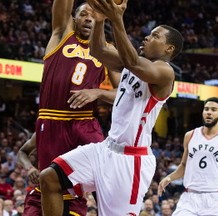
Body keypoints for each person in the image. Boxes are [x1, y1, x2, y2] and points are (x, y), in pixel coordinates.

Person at [39, 0, 184, 215]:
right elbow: (98, 52)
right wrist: (100, 21)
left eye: (155, 36)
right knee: (49, 178)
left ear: (168, 48)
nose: (147, 37)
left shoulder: (165, 73)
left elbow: (133, 62)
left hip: (130, 161)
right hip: (105, 149)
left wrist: (117, 19)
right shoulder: (130, 62)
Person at [20, 0, 119, 215]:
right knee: (51, 184)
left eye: (93, 15)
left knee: (106, 179)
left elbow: (123, 95)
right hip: (52, 120)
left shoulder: (107, 50)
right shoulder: (61, 34)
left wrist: (99, 92)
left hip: (85, 122)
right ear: (74, 18)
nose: (88, 18)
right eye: (84, 14)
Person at [158, 97, 218, 216]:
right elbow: (184, 165)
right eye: (206, 109)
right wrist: (169, 178)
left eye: (214, 110)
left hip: (215, 198)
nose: (209, 112)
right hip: (189, 198)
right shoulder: (190, 136)